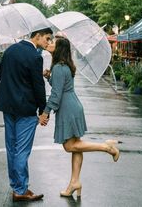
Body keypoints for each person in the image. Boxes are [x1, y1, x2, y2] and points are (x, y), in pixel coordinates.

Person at [39, 37, 120, 198]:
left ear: (59, 48)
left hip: (68, 109)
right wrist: (49, 77)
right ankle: (74, 182)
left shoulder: (60, 67)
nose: (49, 43)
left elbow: (56, 95)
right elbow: (61, 86)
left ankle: (106, 148)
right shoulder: (60, 66)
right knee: (76, 145)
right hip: (72, 105)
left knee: (70, 146)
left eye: (53, 42)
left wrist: (45, 112)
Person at [0, 27, 53, 202]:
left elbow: (0, 75)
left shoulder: (10, 50)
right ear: (37, 36)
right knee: (22, 150)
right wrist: (43, 111)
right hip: (25, 109)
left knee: (11, 147)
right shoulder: (35, 56)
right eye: (47, 39)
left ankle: (16, 185)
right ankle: (20, 189)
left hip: (7, 106)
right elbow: (38, 87)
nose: (48, 43)